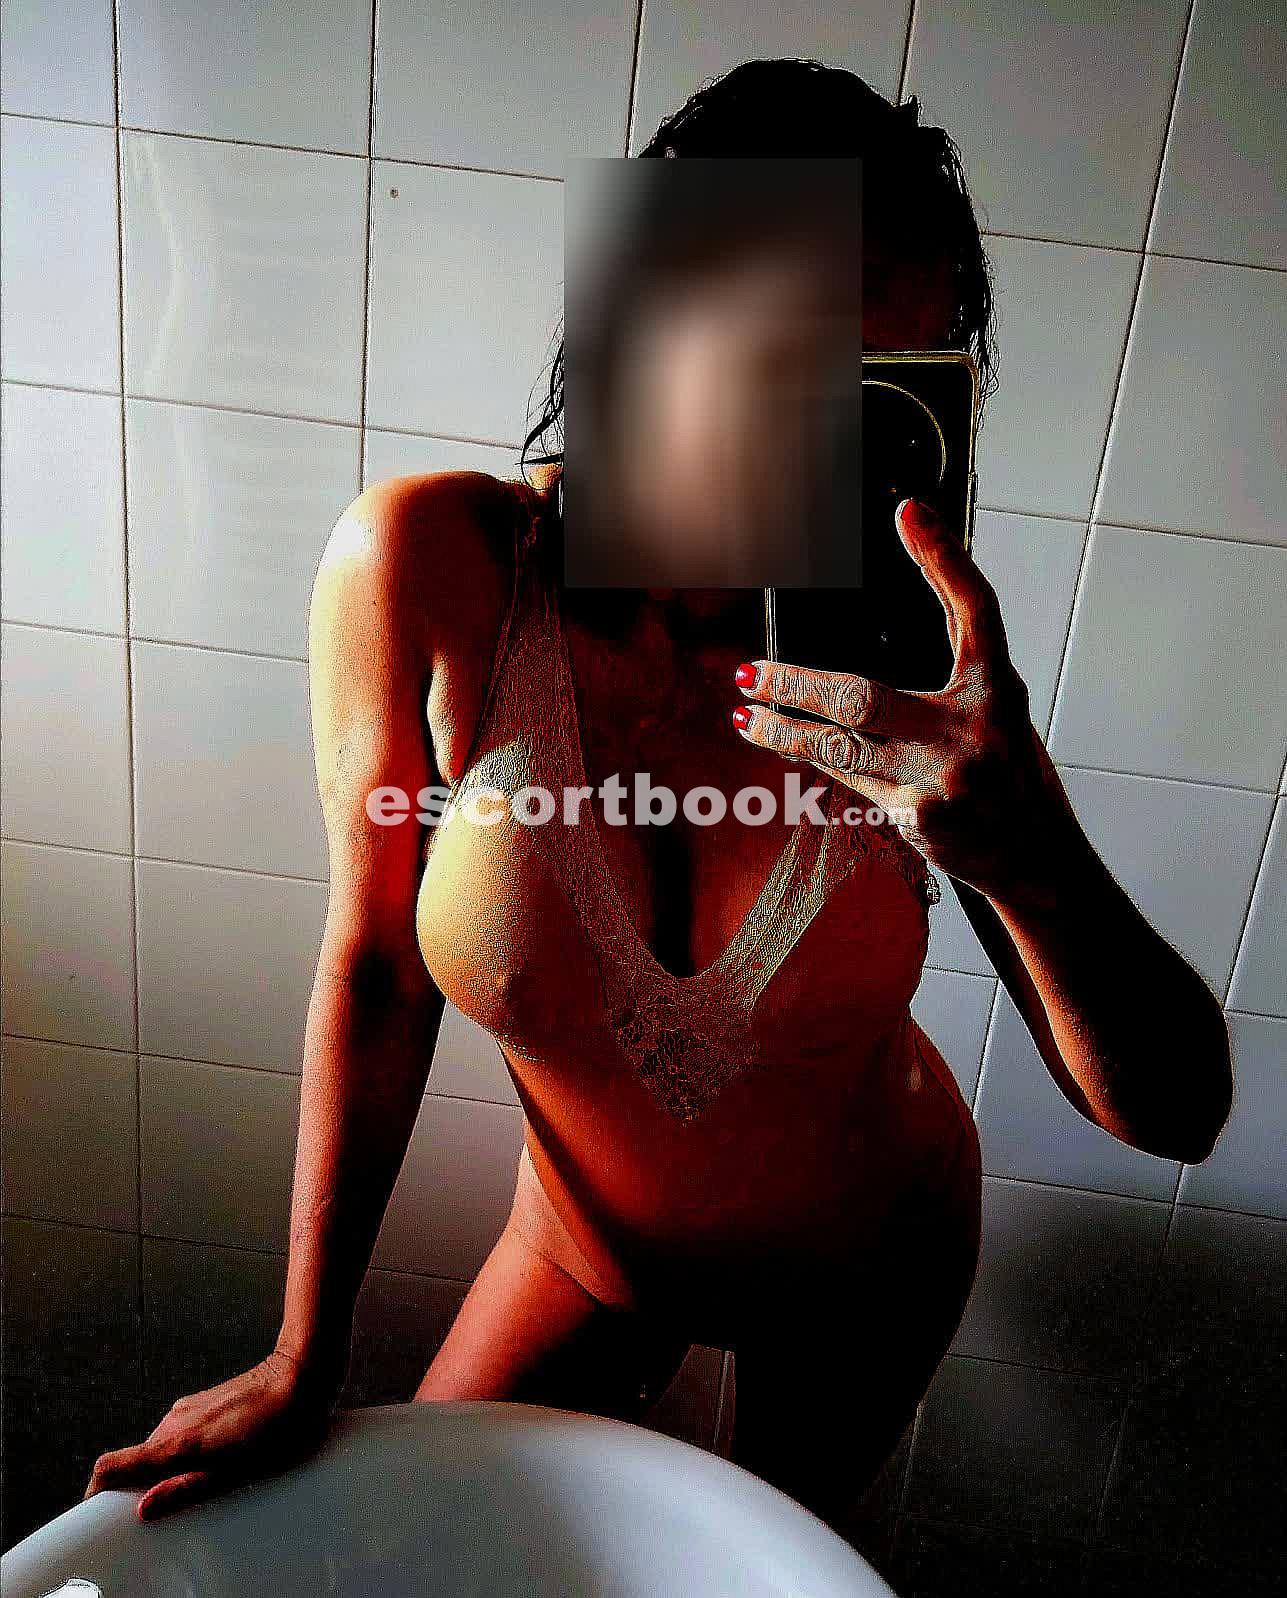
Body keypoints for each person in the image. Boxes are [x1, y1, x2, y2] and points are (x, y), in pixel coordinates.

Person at [84, 59, 1231, 1540]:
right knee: (426, 1554)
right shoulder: (437, 569)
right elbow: (377, 966)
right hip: (582, 1249)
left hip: (868, 1267)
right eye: (780, 353)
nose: (813, 437)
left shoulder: (913, 672)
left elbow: (1176, 1111)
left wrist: (1030, 854)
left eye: (886, 387)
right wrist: (304, 1350)